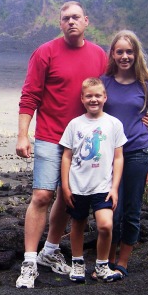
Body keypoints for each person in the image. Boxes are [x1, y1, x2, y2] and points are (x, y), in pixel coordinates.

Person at [15, 1, 107, 288]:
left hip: (84, 141)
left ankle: (50, 252)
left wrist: (140, 118)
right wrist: (22, 134)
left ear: (86, 21)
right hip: (50, 137)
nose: (71, 22)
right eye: (66, 18)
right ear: (60, 23)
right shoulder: (45, 53)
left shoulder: (99, 55)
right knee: (42, 195)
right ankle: (29, 262)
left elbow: (107, 94)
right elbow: (30, 95)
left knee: (68, 198)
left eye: (76, 17)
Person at [101, 29, 148, 277]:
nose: (124, 56)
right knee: (110, 210)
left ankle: (123, 262)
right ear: (113, 54)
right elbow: (92, 112)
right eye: (120, 52)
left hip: (138, 153)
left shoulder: (147, 85)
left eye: (129, 51)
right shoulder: (103, 82)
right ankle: (106, 259)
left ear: (136, 54)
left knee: (132, 209)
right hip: (108, 156)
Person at [60, 77, 126, 283]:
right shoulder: (75, 124)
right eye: (89, 96)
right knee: (77, 224)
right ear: (82, 98)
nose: (93, 99)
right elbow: (67, 156)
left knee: (105, 225)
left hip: (103, 186)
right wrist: (65, 186)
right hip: (78, 186)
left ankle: (102, 265)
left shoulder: (114, 124)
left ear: (105, 97)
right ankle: (78, 264)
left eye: (98, 95)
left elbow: (118, 157)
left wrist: (115, 188)